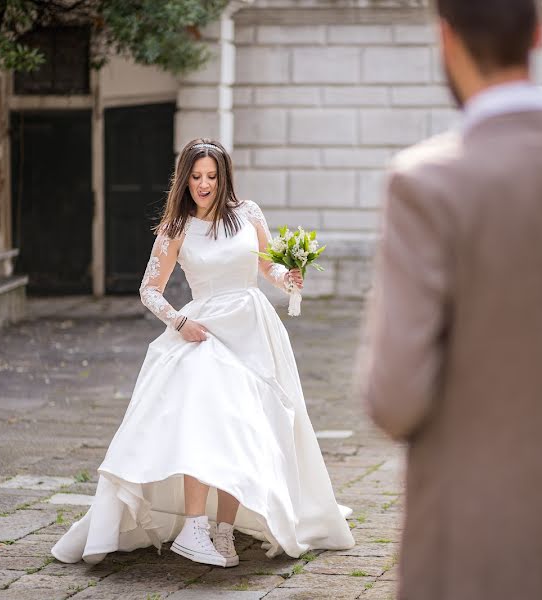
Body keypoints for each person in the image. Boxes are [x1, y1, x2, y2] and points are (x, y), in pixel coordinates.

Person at [355, 1, 542, 598]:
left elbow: (395, 398)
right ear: (539, 33)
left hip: (464, 549)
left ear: (446, 36)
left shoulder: (426, 183)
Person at [52, 138, 355, 567]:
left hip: (251, 330)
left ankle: (224, 531)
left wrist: (289, 278)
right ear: (185, 178)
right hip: (204, 333)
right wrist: (179, 322)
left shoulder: (248, 214)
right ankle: (193, 528)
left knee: (245, 427)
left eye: (211, 176)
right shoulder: (176, 227)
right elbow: (149, 290)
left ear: (223, 176)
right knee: (204, 422)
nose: (204, 184)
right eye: (196, 176)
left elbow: (266, 267)